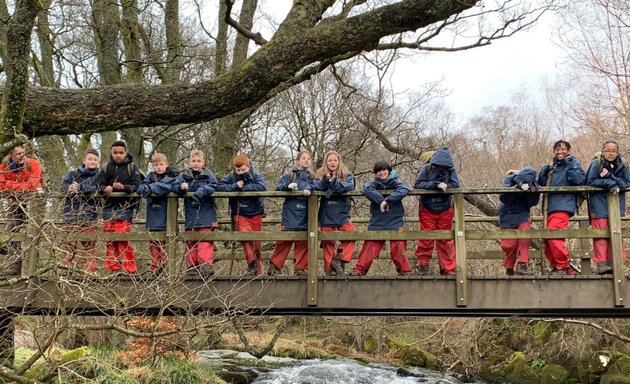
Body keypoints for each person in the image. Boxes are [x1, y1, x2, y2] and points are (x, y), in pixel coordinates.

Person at [350, 160, 412, 276]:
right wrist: (381, 201)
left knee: (398, 246)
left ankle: (405, 271)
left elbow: (404, 189)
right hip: (378, 220)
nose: (381, 173)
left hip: (395, 220)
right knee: (370, 245)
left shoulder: (396, 182)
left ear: (388, 170)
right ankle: (359, 269)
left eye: (384, 170)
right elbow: (366, 189)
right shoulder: (373, 184)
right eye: (378, 171)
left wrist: (388, 200)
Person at [538, 140, 586, 276]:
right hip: (549, 207)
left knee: (554, 235)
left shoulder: (573, 163)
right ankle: (557, 266)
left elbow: (578, 181)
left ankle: (563, 266)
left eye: (563, 149)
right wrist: (543, 172)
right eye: (557, 149)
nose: (560, 152)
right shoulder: (553, 167)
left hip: (563, 205)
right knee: (546, 238)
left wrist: (569, 164)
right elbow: (541, 184)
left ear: (569, 151)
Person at [216, 154, 267, 277]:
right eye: (238, 170)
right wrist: (234, 186)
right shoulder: (230, 176)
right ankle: (251, 262)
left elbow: (263, 187)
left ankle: (258, 270)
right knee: (244, 237)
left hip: (256, 212)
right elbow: (219, 187)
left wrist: (244, 188)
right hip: (240, 213)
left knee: (257, 243)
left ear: (249, 167)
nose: (240, 172)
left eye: (243, 170)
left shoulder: (256, 175)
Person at [97, 141, 143, 274]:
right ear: (111, 153)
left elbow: (137, 185)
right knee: (110, 238)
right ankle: (113, 267)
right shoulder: (106, 167)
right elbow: (98, 184)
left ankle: (130, 268)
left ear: (125, 153)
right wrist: (105, 188)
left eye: (121, 153)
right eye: (115, 153)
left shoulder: (132, 167)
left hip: (125, 207)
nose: (118, 155)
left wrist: (123, 187)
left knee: (122, 237)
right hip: (108, 207)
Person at [585, 140, 630, 275]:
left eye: (613, 151)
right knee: (601, 234)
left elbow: (627, 182)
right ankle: (601, 263)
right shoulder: (596, 164)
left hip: (616, 205)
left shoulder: (623, 164)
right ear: (603, 151)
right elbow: (590, 181)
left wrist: (611, 177)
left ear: (617, 152)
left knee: (616, 233)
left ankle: (617, 263)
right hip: (599, 205)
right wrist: (609, 182)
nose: (610, 153)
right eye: (607, 150)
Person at [414, 146, 461, 275]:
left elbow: (456, 185)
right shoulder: (426, 169)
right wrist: (435, 185)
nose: (442, 168)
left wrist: (447, 186)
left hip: (445, 208)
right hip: (427, 208)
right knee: (426, 236)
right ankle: (423, 264)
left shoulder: (451, 170)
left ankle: (448, 269)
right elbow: (418, 185)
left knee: (445, 239)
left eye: (445, 166)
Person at [267, 151, 314, 276]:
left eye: (309, 158)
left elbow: (319, 186)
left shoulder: (312, 177)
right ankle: (275, 267)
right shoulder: (290, 175)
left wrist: (311, 188)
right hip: (290, 215)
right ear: (297, 161)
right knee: (284, 241)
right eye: (304, 158)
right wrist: (287, 186)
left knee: (303, 242)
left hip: (306, 214)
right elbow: (278, 188)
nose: (306, 160)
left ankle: (300, 269)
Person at [173, 149, 218, 277]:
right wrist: (181, 188)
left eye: (198, 161)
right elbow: (174, 187)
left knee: (205, 240)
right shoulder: (183, 176)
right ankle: (192, 266)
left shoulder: (209, 175)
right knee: (191, 240)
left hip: (206, 213)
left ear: (203, 162)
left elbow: (215, 185)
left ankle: (205, 265)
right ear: (189, 162)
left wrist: (202, 191)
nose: (196, 163)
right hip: (191, 212)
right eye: (193, 161)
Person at [0, 145, 44, 275]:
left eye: (23, 153)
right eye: (18, 154)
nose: (21, 156)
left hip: (35, 203)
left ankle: (35, 268)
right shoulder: (4, 167)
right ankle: (14, 266)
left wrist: (11, 185)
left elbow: (33, 184)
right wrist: (22, 186)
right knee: (12, 231)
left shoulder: (33, 163)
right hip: (16, 203)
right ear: (11, 155)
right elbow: (1, 185)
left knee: (35, 233)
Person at [312, 150, 356, 276]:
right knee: (328, 243)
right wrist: (326, 181)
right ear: (326, 162)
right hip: (326, 213)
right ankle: (329, 271)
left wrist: (333, 182)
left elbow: (347, 187)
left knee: (352, 234)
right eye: (330, 160)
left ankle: (339, 260)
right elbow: (316, 186)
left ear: (339, 162)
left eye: (335, 160)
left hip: (342, 213)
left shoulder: (347, 174)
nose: (332, 163)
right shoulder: (320, 174)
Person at [136, 153, 180, 276]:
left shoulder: (172, 175)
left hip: (166, 216)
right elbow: (141, 188)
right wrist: (149, 188)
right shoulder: (150, 176)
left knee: (165, 243)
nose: (159, 167)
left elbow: (166, 186)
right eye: (156, 165)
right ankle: (155, 266)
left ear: (166, 165)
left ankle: (165, 266)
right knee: (153, 242)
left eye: (161, 164)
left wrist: (150, 189)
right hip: (152, 215)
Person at [60, 148, 101, 273]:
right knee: (70, 243)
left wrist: (81, 188)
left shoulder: (100, 175)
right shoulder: (74, 173)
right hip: (72, 214)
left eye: (95, 159)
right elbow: (63, 186)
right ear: (84, 160)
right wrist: (70, 189)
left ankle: (89, 271)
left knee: (89, 245)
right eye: (90, 159)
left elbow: (99, 188)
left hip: (90, 215)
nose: (92, 162)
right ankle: (66, 269)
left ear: (99, 161)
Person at [498, 167, 540, 275]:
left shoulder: (532, 183)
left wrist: (532, 190)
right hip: (507, 214)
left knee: (525, 236)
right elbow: (504, 197)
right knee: (509, 245)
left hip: (522, 213)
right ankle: (509, 267)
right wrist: (518, 187)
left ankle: (522, 264)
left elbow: (533, 202)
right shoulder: (508, 180)